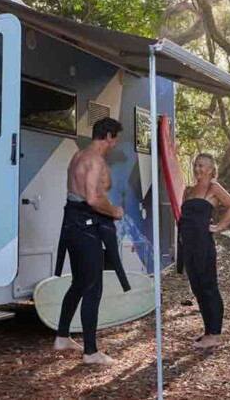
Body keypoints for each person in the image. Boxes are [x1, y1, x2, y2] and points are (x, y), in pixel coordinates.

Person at [52, 117, 131, 366]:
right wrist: (115, 211)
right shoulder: (94, 161)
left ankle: (62, 337)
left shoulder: (78, 156)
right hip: (84, 226)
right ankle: (91, 352)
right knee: (92, 287)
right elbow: (94, 200)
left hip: (71, 223)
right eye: (115, 138)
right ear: (107, 136)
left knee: (79, 282)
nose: (115, 144)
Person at [180, 153, 230, 349]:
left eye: (203, 166)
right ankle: (207, 331)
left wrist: (219, 227)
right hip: (188, 245)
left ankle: (215, 334)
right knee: (197, 287)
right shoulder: (188, 190)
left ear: (212, 169)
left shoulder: (213, 188)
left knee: (209, 287)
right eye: (196, 165)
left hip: (203, 244)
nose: (198, 169)